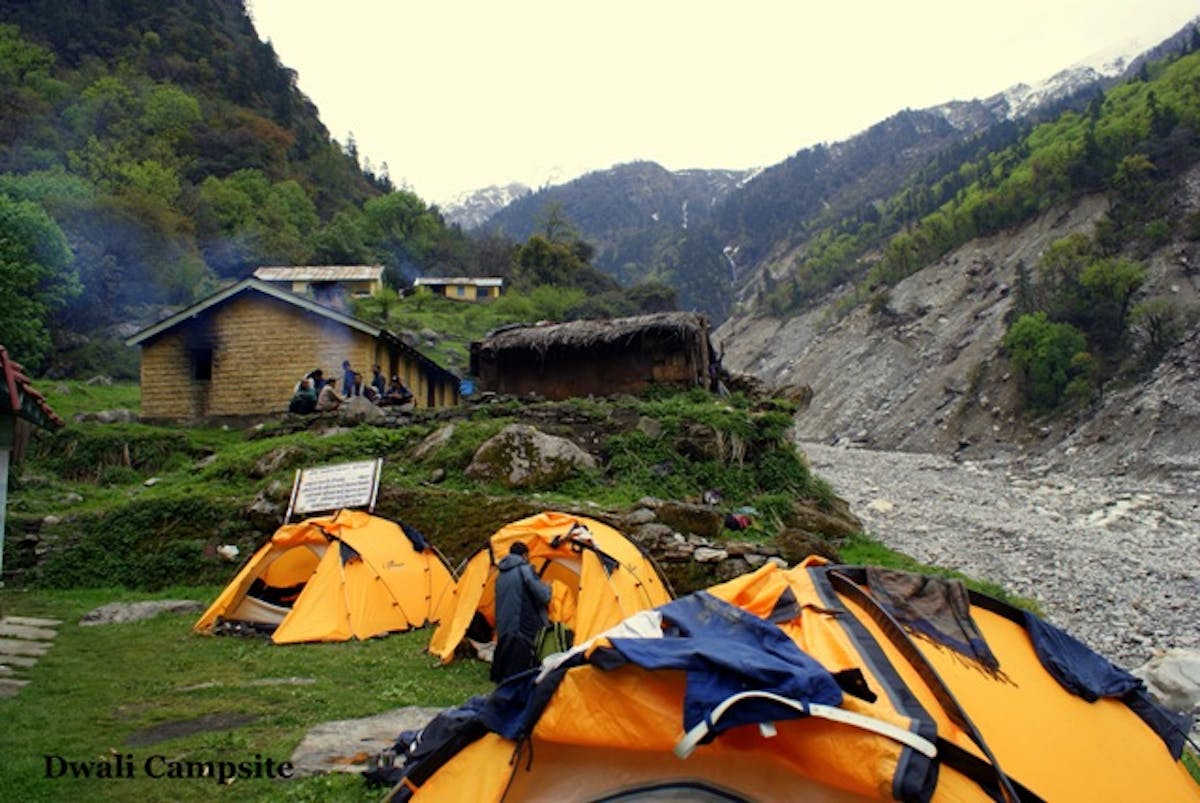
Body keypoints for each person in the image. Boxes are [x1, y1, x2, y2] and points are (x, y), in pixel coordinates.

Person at [490, 542, 550, 682]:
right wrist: (549, 588)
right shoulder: (524, 569)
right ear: (524, 555)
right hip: (522, 622)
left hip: (504, 624)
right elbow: (543, 595)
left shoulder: (500, 574)